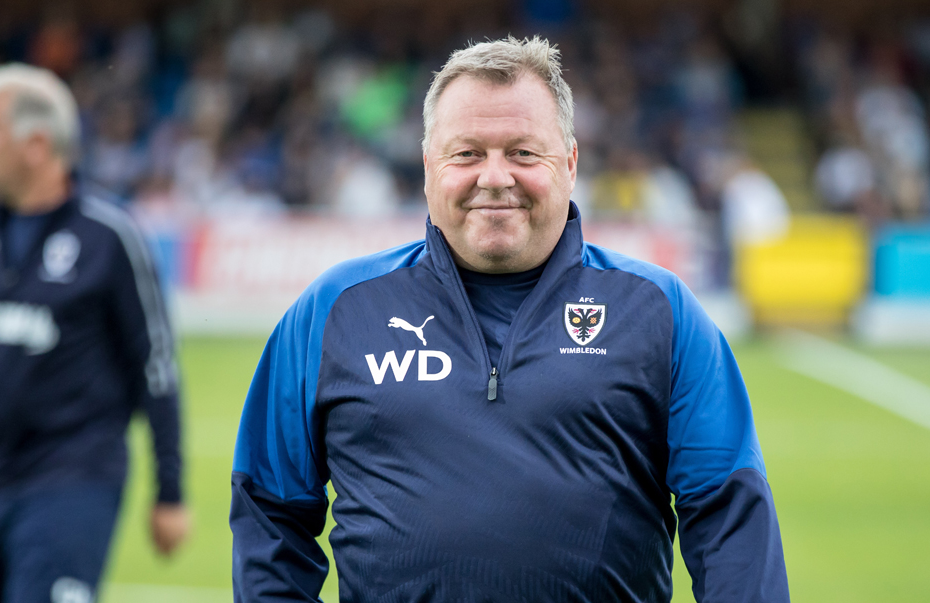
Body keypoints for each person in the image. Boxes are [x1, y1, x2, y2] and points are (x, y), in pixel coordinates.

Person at [231, 37, 788, 602]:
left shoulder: (660, 310)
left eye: (522, 153)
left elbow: (729, 517)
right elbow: (270, 509)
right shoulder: (334, 309)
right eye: (466, 154)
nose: (495, 177)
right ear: (428, 167)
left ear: (570, 164)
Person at [0, 64, 190, 602]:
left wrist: (170, 490)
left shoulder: (109, 237)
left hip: (71, 480)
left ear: (36, 144)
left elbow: (156, 366)